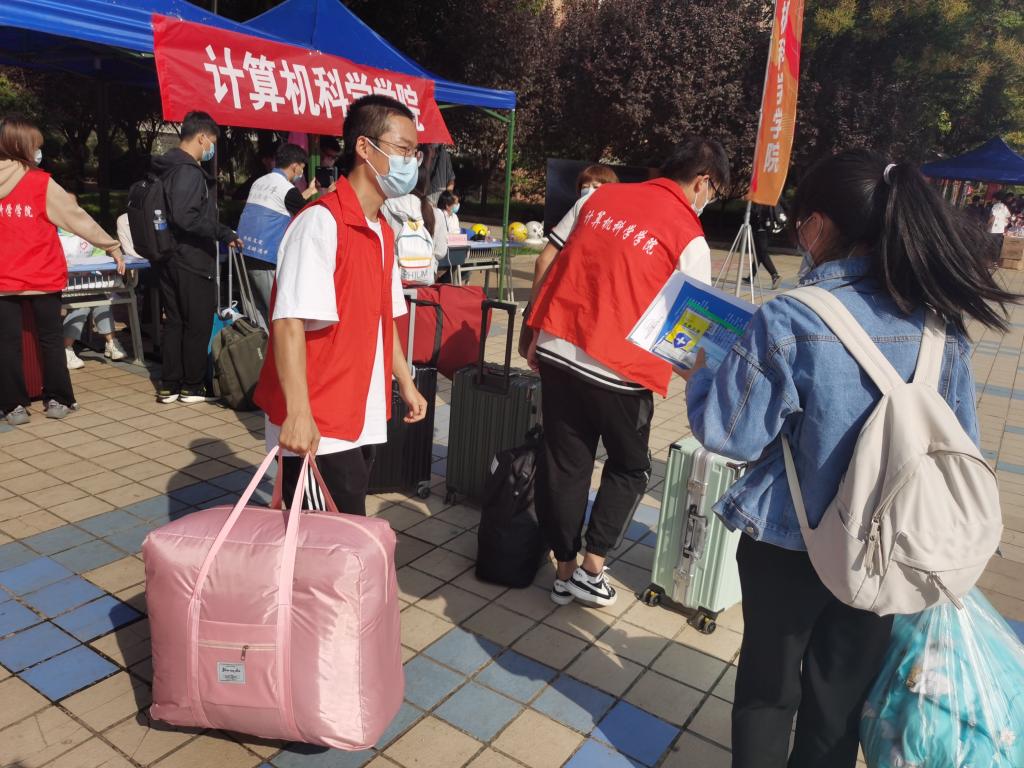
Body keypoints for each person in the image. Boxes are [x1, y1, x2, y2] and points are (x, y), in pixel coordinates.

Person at [681, 150, 1014, 768]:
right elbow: (959, 438)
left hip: (788, 541)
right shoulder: (941, 322)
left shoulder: (789, 317)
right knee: (839, 699)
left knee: (767, 692)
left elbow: (732, 437)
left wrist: (702, 377)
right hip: (894, 547)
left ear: (818, 225)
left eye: (800, 220)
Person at [526, 137, 728, 607]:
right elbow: (691, 326)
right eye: (715, 192)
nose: (709, 201)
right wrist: (703, 383)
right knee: (631, 466)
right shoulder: (688, 234)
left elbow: (548, 259)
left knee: (565, 463)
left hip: (558, 344)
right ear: (702, 182)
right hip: (621, 368)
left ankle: (563, 571)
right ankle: (592, 568)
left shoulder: (599, 198)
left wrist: (533, 330)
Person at [253, 95, 428, 516]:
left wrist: (404, 381)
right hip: (318, 419)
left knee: (342, 533)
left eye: (415, 153)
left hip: (359, 412)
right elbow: (288, 321)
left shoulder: (382, 230)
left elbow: (384, 318)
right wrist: (299, 412)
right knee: (323, 539)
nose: (411, 162)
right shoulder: (321, 222)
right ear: (365, 147)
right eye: (403, 149)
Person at [0, 115, 124, 425]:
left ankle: (13, 407)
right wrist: (111, 245)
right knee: (51, 340)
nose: (39, 151)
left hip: (3, 278)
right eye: (36, 145)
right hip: (42, 275)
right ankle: (58, 399)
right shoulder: (40, 182)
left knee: (7, 344)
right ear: (22, 146)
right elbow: (76, 218)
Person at [150, 110, 242, 405]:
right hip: (192, 257)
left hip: (166, 254)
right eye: (211, 141)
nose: (211, 148)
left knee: (175, 321)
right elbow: (186, 216)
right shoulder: (188, 171)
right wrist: (223, 232)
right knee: (197, 322)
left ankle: (169, 385)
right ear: (202, 137)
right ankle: (191, 386)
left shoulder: (164, 167)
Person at [237, 143, 318, 325]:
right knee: (276, 313)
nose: (301, 173)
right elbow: (309, 213)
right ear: (295, 166)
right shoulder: (287, 188)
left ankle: (258, 343)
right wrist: (327, 194)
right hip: (265, 258)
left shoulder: (260, 182)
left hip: (243, 254)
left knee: (254, 314)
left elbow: (286, 202)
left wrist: (309, 192)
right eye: (302, 168)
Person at [58, 205, 128, 367]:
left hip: (89, 283)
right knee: (82, 305)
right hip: (63, 285)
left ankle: (111, 342)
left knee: (101, 300)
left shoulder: (88, 233)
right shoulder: (54, 234)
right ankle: (66, 348)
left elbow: (99, 257)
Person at [383, 152, 448, 284]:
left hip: (394, 282)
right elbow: (441, 252)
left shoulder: (387, 207)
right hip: (425, 283)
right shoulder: (436, 214)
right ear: (426, 184)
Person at [747, 203, 782, 289]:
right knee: (758, 254)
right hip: (764, 228)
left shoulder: (760, 200)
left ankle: (774, 275)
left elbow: (756, 212)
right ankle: (751, 277)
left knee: (762, 253)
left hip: (761, 228)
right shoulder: (766, 199)